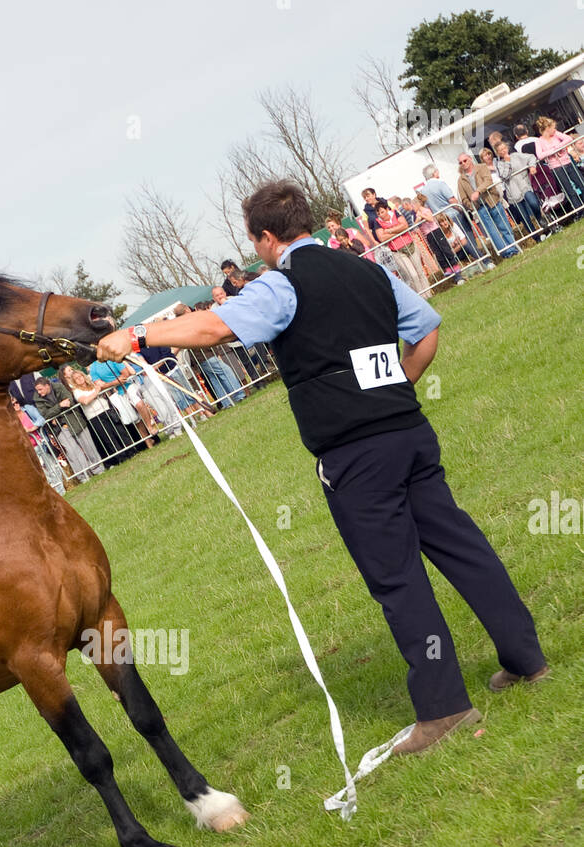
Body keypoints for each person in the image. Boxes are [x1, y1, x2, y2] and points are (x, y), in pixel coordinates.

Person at [96, 179, 548, 754]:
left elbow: (213, 327)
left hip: (355, 455)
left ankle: (444, 707)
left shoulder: (282, 285)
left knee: (397, 577)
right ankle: (526, 659)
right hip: (409, 432)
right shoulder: (368, 270)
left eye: (254, 240)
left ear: (265, 237)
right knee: (463, 547)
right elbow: (428, 329)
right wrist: (394, 387)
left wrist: (136, 335)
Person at [32, 376, 104, 478]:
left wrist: (55, 413)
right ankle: (83, 476)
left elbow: (69, 401)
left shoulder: (59, 387)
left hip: (74, 419)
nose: (39, 392)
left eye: (40, 389)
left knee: (89, 446)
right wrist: (60, 405)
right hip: (59, 428)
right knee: (73, 453)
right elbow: (45, 414)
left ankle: (98, 469)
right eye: (37, 390)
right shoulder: (37, 398)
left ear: (47, 386)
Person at [59, 365, 130, 465]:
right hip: (95, 416)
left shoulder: (92, 385)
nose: (79, 379)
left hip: (106, 409)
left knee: (120, 431)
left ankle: (131, 451)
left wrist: (96, 391)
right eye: (76, 379)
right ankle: (122, 458)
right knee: (109, 438)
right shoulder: (76, 391)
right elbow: (86, 400)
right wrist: (96, 392)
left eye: (80, 376)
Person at [457, 152, 521, 259]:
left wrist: (477, 191)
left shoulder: (481, 167)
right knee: (492, 232)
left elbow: (488, 180)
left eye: (465, 160)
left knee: (504, 226)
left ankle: (513, 248)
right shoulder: (461, 180)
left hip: (492, 201)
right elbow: (463, 198)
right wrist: (472, 206)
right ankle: (506, 253)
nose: (463, 163)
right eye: (460, 162)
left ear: (470, 159)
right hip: (480, 208)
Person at [492, 139, 548, 242]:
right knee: (525, 218)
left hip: (525, 186)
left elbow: (531, 157)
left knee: (533, 203)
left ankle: (540, 218)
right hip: (513, 193)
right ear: (497, 153)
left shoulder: (517, 156)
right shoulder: (499, 165)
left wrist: (532, 166)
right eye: (500, 150)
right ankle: (537, 238)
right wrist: (507, 162)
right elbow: (504, 176)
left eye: (504, 148)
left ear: (507, 148)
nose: (503, 151)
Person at [534, 116, 583, 215]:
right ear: (547, 128)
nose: (555, 129)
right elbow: (540, 155)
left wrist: (557, 147)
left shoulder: (556, 134)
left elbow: (568, 138)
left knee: (581, 183)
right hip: (556, 168)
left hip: (567, 163)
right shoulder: (539, 141)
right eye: (553, 127)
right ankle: (580, 211)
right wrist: (553, 151)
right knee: (569, 190)